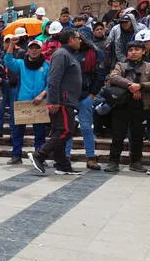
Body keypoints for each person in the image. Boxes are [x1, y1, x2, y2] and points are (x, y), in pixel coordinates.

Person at [28, 30, 83, 175]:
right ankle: (39, 154)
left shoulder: (69, 55)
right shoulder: (61, 54)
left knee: (60, 131)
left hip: (67, 101)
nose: (80, 41)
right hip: (62, 101)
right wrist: (54, 101)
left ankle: (63, 165)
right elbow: (53, 79)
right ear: (71, 39)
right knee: (65, 131)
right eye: (78, 38)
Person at [103, 41, 150, 173]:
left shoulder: (148, 66)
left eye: (137, 49)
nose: (133, 52)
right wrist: (132, 86)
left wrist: (141, 86)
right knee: (118, 134)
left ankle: (136, 162)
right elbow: (113, 77)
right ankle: (113, 161)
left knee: (137, 135)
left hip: (141, 106)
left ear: (143, 52)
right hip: (121, 105)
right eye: (130, 50)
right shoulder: (121, 65)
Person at [4, 40, 49, 165]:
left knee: (40, 133)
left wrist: (42, 94)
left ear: (41, 50)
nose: (34, 50)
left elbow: (50, 83)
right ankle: (16, 156)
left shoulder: (46, 65)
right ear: (28, 50)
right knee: (17, 132)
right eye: (31, 48)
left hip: (40, 103)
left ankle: (39, 156)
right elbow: (8, 61)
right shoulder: (21, 64)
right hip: (22, 101)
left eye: (37, 48)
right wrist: (11, 45)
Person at [63, 36, 104, 170]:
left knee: (86, 128)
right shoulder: (66, 53)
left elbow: (99, 75)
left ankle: (91, 157)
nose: (77, 41)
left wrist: (92, 94)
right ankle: (66, 157)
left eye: (78, 38)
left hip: (86, 95)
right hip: (69, 96)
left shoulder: (93, 53)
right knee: (68, 128)